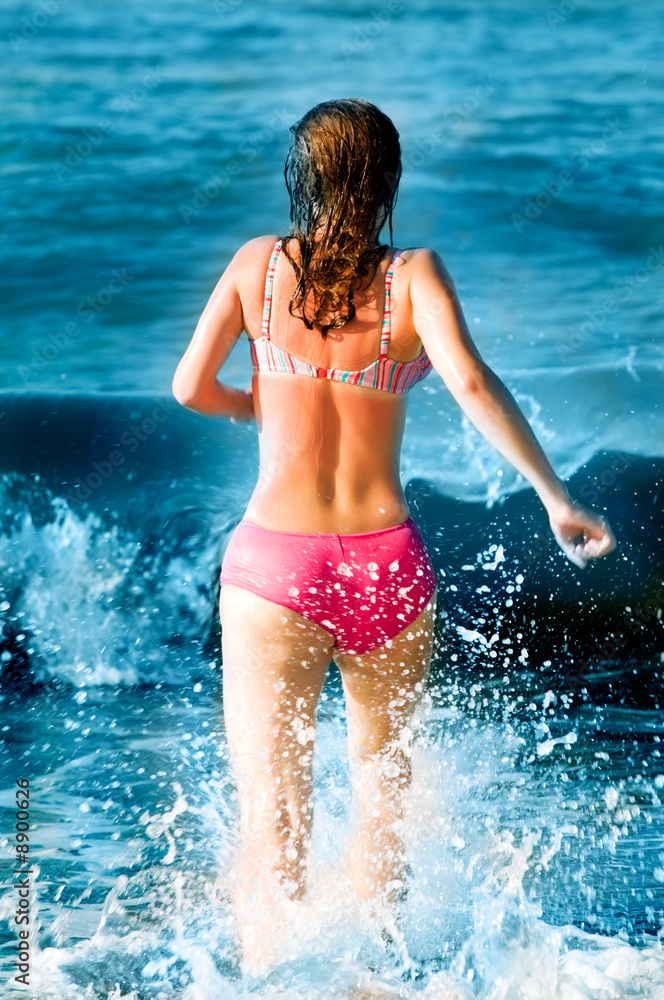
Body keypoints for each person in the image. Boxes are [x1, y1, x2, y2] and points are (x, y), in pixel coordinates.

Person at [172, 98, 616, 975]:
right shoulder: (413, 276)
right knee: (384, 801)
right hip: (387, 568)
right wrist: (554, 497)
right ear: (387, 181)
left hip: (273, 567)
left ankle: (269, 987)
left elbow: (189, 387)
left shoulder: (258, 268)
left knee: (274, 820)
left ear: (304, 173)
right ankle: (374, 983)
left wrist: (257, 403)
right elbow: (474, 385)